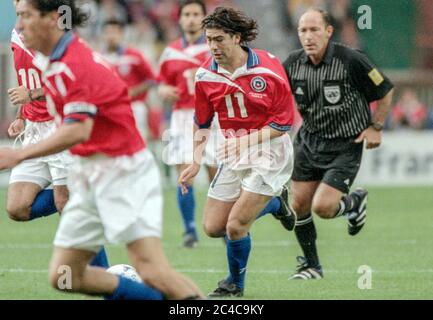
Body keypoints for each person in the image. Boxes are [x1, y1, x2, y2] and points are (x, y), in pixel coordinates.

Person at [0, 0, 203, 300]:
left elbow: (78, 129)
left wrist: (18, 154)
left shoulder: (74, 64)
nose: (19, 25)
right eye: (18, 16)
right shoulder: (52, 60)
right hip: (88, 172)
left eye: (26, 16)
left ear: (53, 19)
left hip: (123, 170)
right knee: (65, 275)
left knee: (153, 270)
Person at [179, 7, 296, 297]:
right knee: (213, 226)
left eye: (219, 39)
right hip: (234, 153)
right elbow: (201, 121)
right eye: (209, 40)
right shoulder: (205, 75)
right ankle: (277, 202)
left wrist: (245, 141)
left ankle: (234, 285)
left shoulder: (268, 69)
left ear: (237, 37)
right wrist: (195, 161)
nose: (213, 47)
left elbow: (283, 124)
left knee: (235, 226)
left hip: (270, 152)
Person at [283, 8, 394, 279]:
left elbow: (386, 89)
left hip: (346, 143)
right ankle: (312, 266)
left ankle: (353, 203)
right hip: (309, 141)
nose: (308, 36)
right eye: (303, 30)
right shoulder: (291, 64)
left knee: (323, 208)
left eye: (314, 30)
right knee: (298, 205)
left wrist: (376, 126)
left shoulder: (351, 59)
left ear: (328, 31)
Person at [8, 0, 108, 269]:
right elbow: (25, 76)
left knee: (66, 205)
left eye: (24, 12)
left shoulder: (57, 35)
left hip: (60, 124)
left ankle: (105, 276)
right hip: (34, 128)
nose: (20, 19)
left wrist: (32, 94)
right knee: (17, 209)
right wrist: (22, 114)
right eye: (18, 12)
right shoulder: (18, 33)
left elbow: (67, 80)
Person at [157, 0, 219, 248]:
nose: (191, 19)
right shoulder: (170, 51)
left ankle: (222, 224)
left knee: (216, 171)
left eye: (196, 14)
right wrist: (163, 90)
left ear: (203, 19)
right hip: (182, 116)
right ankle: (190, 230)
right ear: (180, 19)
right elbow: (161, 81)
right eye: (187, 14)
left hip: (212, 117)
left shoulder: (213, 48)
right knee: (184, 174)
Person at [101, 19, 157, 140]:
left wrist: (132, 92)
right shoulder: (99, 58)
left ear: (121, 34)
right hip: (110, 108)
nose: (111, 36)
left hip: (134, 106)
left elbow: (152, 80)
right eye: (108, 32)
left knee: (138, 142)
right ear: (103, 35)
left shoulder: (134, 55)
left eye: (114, 32)